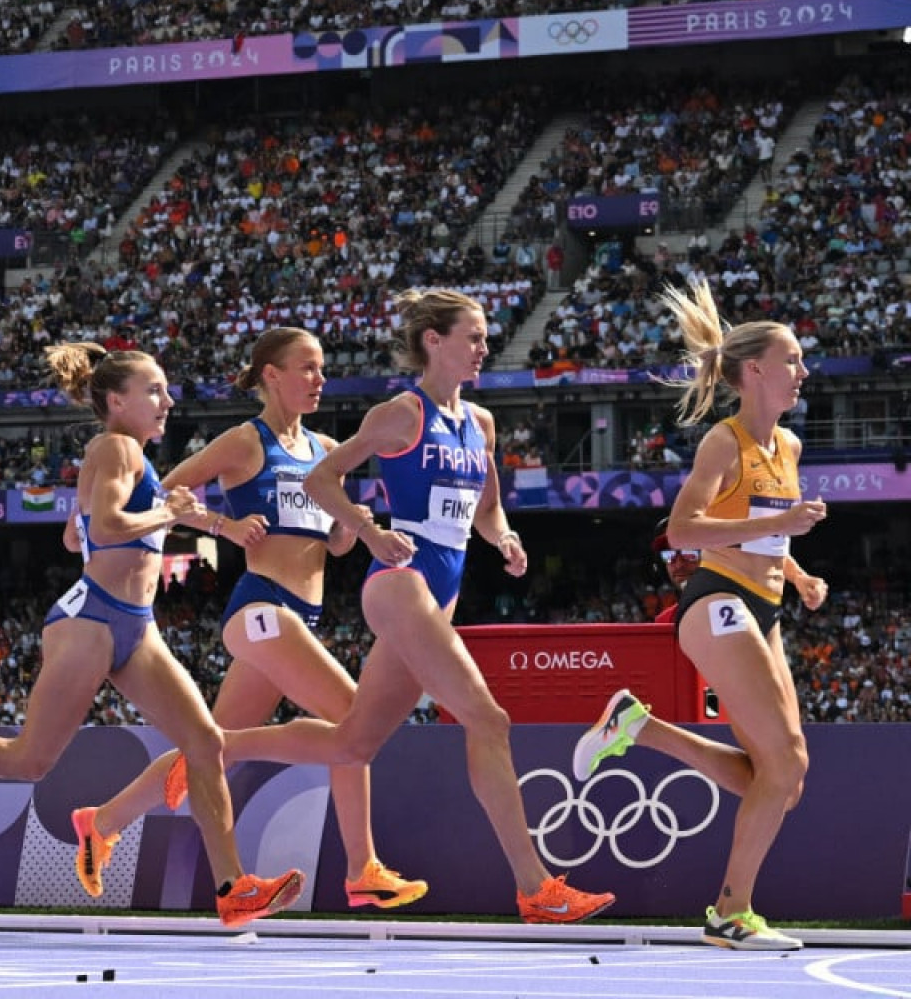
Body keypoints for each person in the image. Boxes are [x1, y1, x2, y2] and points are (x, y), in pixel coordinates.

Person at [0, 343, 306, 928]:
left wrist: (213, 523)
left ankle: (232, 887)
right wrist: (167, 515)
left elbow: (75, 537)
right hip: (90, 618)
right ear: (116, 401)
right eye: (154, 390)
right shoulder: (115, 445)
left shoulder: (131, 457)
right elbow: (111, 524)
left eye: (166, 390)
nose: (168, 400)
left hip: (134, 624)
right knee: (29, 760)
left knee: (205, 744)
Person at [229, 290, 615, 923]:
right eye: (474, 336)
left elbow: (486, 507)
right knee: (487, 720)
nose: (484, 347)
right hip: (399, 583)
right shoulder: (399, 415)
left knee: (353, 742)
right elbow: (323, 478)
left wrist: (506, 537)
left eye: (486, 338)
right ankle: (536, 888)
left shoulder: (481, 423)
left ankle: (217, 751)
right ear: (434, 342)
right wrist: (370, 528)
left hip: (444, 590)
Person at [70, 328, 428, 911]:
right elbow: (169, 489)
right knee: (352, 720)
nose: (319, 380)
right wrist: (222, 526)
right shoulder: (244, 440)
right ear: (271, 375)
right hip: (260, 606)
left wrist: (346, 527)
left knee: (212, 749)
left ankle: (103, 821)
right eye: (306, 368)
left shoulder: (325, 451)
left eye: (321, 370)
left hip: (301, 614)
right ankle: (363, 867)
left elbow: (333, 550)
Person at [571, 278, 825, 951]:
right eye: (792, 360)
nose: (803, 370)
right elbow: (682, 531)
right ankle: (729, 913)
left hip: (763, 608)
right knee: (787, 759)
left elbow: (765, 530)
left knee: (782, 780)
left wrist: (798, 573)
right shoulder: (725, 440)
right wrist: (787, 526)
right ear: (754, 372)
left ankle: (640, 727)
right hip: (715, 602)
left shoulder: (788, 447)